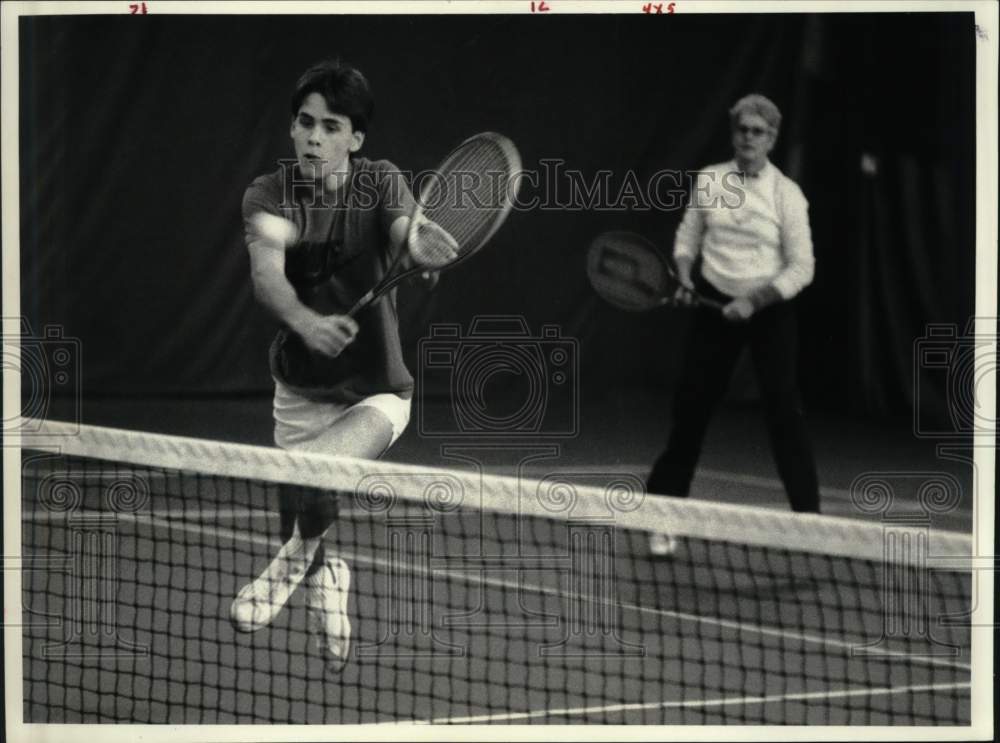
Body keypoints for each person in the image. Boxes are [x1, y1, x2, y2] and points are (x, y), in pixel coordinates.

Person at [229, 59, 453, 670]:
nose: (313, 137)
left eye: (331, 127)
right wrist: (306, 322)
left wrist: (423, 243)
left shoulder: (380, 182)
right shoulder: (270, 195)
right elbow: (267, 280)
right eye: (305, 123)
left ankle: (284, 575)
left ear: (355, 138)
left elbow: (409, 227)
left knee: (318, 472)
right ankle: (329, 580)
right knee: (308, 510)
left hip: (378, 391)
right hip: (300, 389)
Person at [646, 94, 820, 555]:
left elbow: (803, 268)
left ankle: (810, 525)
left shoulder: (787, 195)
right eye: (742, 129)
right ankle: (663, 519)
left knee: (785, 412)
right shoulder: (710, 180)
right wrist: (683, 276)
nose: (748, 138)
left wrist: (754, 301)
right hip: (713, 303)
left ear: (773, 138)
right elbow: (688, 236)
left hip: (768, 308)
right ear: (733, 133)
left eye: (758, 131)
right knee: (690, 411)